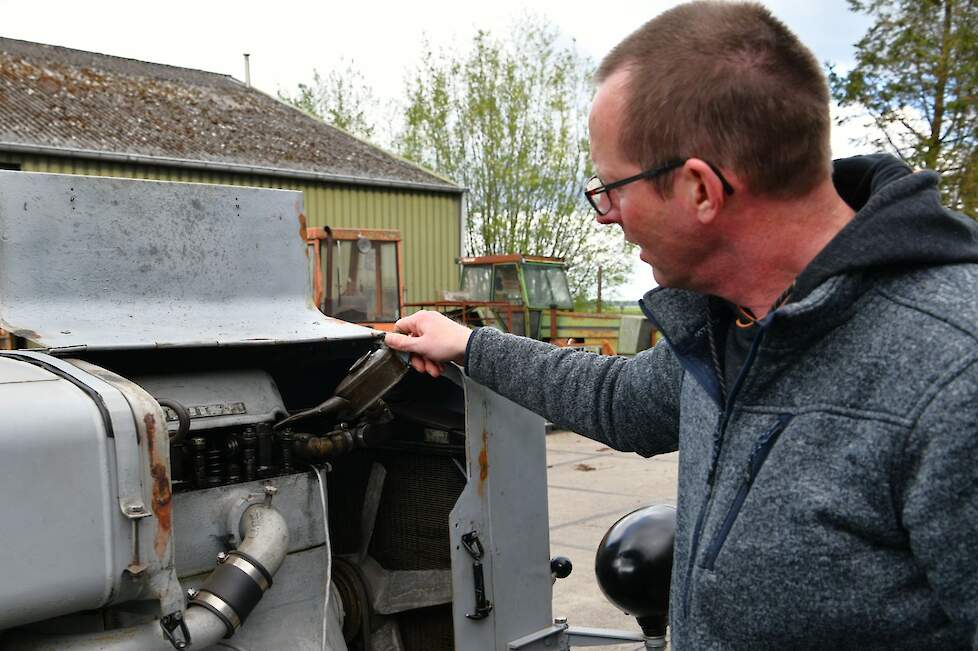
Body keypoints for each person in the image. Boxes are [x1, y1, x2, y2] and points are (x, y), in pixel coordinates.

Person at [386, 2, 978, 648]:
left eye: (612, 188)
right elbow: (617, 398)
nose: (604, 216)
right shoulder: (732, 329)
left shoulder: (950, 378)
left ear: (700, 189)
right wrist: (470, 344)